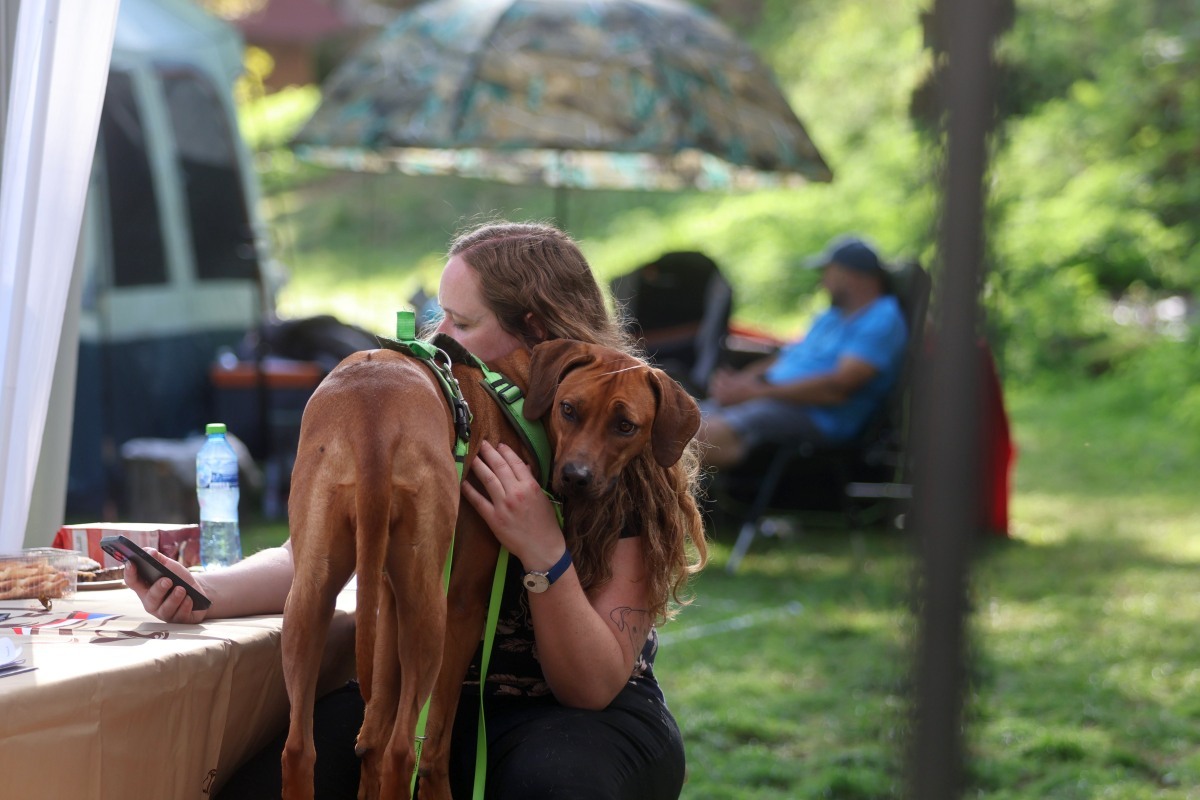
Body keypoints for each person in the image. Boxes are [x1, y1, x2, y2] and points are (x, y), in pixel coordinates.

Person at [124, 220, 708, 800]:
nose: (437, 337)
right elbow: (312, 556)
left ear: (532, 330)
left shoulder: (624, 451)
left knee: (550, 787)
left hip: (572, 717)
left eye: (463, 322)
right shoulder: (440, 418)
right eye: (439, 314)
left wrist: (543, 549)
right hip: (425, 697)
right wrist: (203, 589)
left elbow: (591, 686)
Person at [696, 236, 908, 468]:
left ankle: (678, 498)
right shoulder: (832, 316)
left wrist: (757, 392)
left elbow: (837, 388)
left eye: (827, 272)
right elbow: (787, 357)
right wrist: (740, 384)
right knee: (685, 419)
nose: (823, 281)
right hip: (777, 397)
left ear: (851, 275)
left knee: (706, 435)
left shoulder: (882, 318)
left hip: (816, 414)